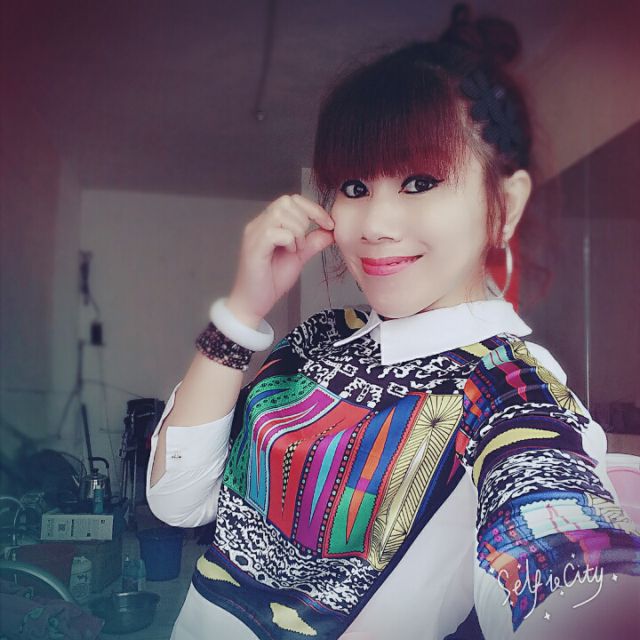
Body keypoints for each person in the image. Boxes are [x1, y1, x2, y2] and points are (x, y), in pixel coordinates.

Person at [146, 5, 640, 639]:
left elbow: (558, 539)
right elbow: (177, 499)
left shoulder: (508, 386)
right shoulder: (319, 336)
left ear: (505, 204)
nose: (375, 226)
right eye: (354, 187)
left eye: (419, 181)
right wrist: (243, 312)